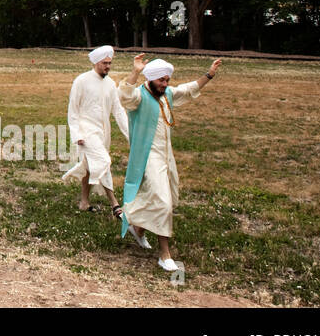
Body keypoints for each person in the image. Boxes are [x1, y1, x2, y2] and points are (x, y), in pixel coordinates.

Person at [118, 54, 224, 272]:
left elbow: (187, 89)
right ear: (151, 79)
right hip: (148, 157)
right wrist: (135, 72)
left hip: (167, 156)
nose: (165, 84)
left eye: (167, 80)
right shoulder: (139, 96)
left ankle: (137, 229)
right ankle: (164, 254)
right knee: (163, 202)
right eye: (161, 81)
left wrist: (209, 75)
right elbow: (124, 95)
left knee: (167, 197)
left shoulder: (166, 94)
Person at [61, 45, 136, 234]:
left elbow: (118, 111)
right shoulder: (82, 81)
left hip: (103, 132)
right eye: (105, 63)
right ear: (96, 62)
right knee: (103, 162)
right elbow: (73, 110)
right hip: (86, 132)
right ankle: (115, 204)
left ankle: (84, 202)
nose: (108, 67)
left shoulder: (111, 84)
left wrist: (130, 136)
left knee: (89, 165)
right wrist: (77, 133)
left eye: (110, 63)